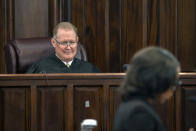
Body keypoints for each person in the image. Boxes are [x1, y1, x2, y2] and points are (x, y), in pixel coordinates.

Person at [114, 46, 181, 131]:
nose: (173, 90)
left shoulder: (133, 106)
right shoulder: (138, 114)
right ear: (158, 81)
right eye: (173, 82)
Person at [26, 22, 100, 73]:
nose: (68, 47)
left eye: (72, 42)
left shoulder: (89, 69)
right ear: (53, 42)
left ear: (77, 40)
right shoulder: (40, 69)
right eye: (64, 43)